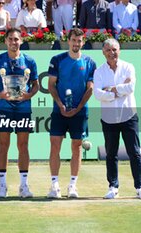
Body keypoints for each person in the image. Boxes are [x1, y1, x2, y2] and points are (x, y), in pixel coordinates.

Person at [93, 38, 141, 199]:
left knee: (135, 153)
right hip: (109, 119)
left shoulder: (128, 67)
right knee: (111, 154)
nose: (112, 53)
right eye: (109, 50)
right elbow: (98, 93)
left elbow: (130, 87)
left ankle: (140, 187)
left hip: (128, 116)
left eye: (115, 50)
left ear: (120, 50)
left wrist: (110, 90)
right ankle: (113, 186)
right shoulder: (99, 71)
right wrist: (118, 91)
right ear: (103, 52)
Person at [0, 28, 39, 198]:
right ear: (5, 41)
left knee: (23, 145)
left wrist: (29, 95)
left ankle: (23, 186)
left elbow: (36, 85)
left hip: (23, 108)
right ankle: (2, 185)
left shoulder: (29, 61)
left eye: (16, 39)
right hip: (4, 107)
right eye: (10, 39)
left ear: (21, 41)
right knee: (3, 145)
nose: (13, 42)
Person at [47, 28, 96, 199]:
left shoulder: (90, 62)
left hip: (80, 112)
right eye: (73, 40)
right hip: (59, 111)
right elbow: (51, 85)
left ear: (83, 42)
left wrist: (78, 107)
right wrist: (61, 105)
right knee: (55, 145)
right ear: (68, 41)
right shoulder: (57, 59)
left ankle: (72, 186)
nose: (76, 44)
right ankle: (54, 186)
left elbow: (90, 88)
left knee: (76, 147)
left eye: (79, 41)